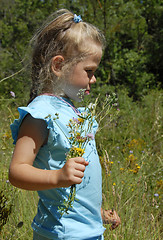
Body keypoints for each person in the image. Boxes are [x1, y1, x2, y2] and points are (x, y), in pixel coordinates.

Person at [9, 9, 120, 240]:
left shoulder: (77, 113)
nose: (94, 79)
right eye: (89, 71)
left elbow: (78, 187)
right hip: (59, 234)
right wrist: (58, 177)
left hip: (90, 231)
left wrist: (97, 213)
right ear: (58, 66)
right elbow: (17, 172)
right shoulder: (41, 114)